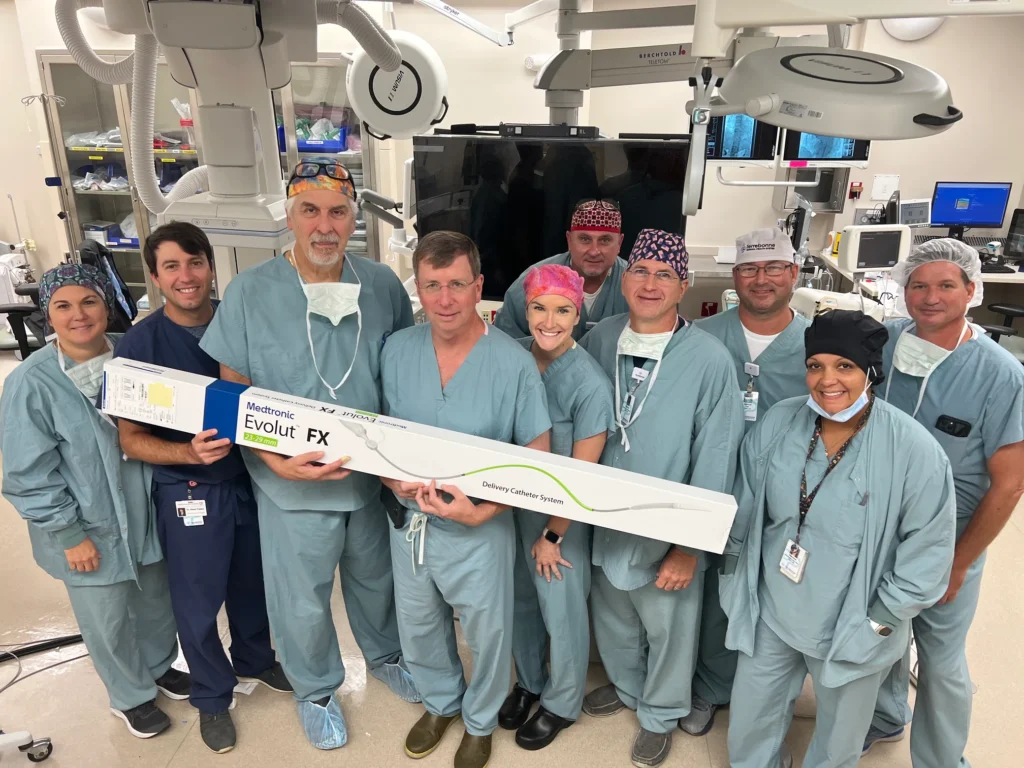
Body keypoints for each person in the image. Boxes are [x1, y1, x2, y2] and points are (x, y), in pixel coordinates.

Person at [199, 159, 419, 751]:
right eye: (310, 211)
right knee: (302, 599)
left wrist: (397, 462)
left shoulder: (382, 285)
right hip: (289, 483)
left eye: (338, 212)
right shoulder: (251, 291)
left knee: (376, 581)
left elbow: (401, 370)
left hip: (367, 478)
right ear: (290, 216)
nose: (325, 226)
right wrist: (273, 462)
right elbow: (231, 389)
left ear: (354, 218)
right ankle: (316, 688)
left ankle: (386, 656)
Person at [720, 309, 957, 768]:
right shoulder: (780, 423)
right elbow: (743, 506)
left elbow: (928, 552)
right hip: (772, 606)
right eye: (816, 366)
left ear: (871, 371)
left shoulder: (913, 450)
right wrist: (732, 575)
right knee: (750, 723)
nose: (827, 380)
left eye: (844, 366)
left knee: (837, 744)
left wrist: (881, 620)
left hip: (855, 621)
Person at [115, 222, 291, 754]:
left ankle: (255, 659)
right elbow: (130, 439)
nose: (186, 276)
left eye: (195, 263)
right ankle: (212, 696)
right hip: (189, 487)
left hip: (252, 479)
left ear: (212, 267)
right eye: (171, 266)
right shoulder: (141, 343)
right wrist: (187, 453)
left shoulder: (239, 323)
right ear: (155, 277)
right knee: (197, 599)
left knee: (252, 582)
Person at [379, 231, 552, 768]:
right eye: (432, 285)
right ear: (418, 288)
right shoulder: (397, 350)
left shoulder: (512, 363)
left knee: (486, 629)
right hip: (411, 523)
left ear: (478, 286)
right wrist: (390, 480)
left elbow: (537, 458)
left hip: (479, 526)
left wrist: (480, 512)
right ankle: (440, 702)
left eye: (457, 284)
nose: (445, 299)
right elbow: (376, 433)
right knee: (419, 623)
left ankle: (480, 720)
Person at [578, 228, 744, 768]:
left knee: (669, 625)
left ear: (683, 286)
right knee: (614, 615)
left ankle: (661, 712)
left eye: (665, 275)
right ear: (625, 278)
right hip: (604, 517)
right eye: (642, 272)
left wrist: (688, 547)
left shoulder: (709, 360)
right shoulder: (601, 338)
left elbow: (716, 456)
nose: (651, 284)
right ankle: (629, 687)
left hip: (668, 527)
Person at [1, 264, 189, 739]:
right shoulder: (32, 383)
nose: (78, 315)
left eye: (89, 301)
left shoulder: (134, 356)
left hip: (147, 512)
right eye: (62, 306)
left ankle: (159, 667)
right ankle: (131, 695)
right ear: (47, 315)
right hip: (89, 525)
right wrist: (69, 534)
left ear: (107, 306)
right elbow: (28, 473)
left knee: (156, 601)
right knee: (107, 616)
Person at [864, 239, 1024, 767]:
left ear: (971, 290)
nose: (931, 297)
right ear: (904, 290)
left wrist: (958, 563)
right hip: (877, 525)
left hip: (948, 540)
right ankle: (886, 716)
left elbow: (1010, 485)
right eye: (919, 285)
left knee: (941, 657)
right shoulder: (884, 342)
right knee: (882, 632)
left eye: (946, 285)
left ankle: (942, 760)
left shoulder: (1000, 375)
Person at [686, 226, 809, 735]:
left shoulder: (817, 344)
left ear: (793, 274)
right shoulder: (700, 336)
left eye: (773, 268)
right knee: (714, 586)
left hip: (788, 491)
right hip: (712, 482)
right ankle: (711, 685)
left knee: (778, 589)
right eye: (749, 269)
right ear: (734, 277)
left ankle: (768, 694)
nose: (762, 279)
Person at [498, 264, 614, 750]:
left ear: (578, 314)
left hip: (560, 520)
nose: (549, 321)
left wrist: (552, 535)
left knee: (561, 611)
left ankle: (563, 701)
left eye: (563, 310)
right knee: (520, 602)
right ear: (525, 311)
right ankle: (529, 682)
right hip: (509, 510)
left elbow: (583, 476)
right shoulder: (512, 357)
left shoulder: (589, 384)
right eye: (539, 308)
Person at [494, 199, 628, 340]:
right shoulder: (534, 280)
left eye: (605, 240)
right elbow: (504, 341)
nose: (594, 251)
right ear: (569, 240)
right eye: (585, 239)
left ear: (619, 243)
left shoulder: (636, 283)